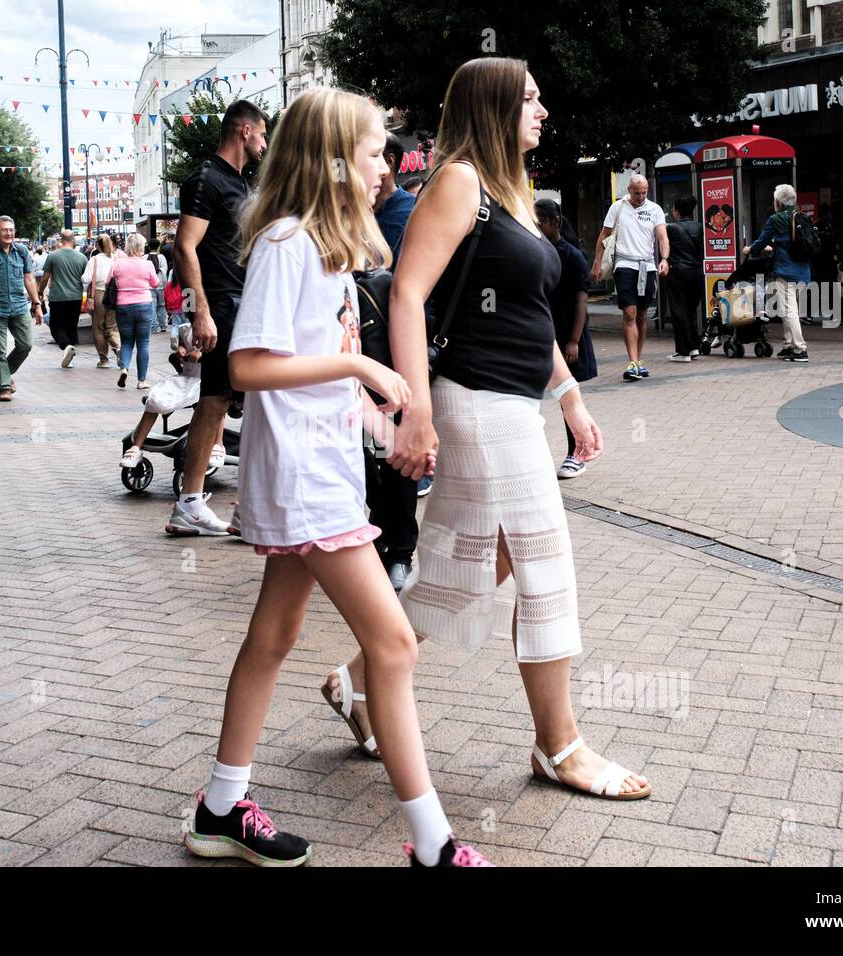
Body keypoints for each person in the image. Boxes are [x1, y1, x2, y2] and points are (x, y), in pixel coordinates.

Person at [185, 86, 490, 869]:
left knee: (274, 636)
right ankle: (433, 846)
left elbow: (309, 373)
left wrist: (380, 417)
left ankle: (221, 806)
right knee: (392, 645)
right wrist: (361, 364)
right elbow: (249, 366)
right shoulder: (288, 242)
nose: (385, 162)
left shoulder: (319, 247)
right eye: (372, 149)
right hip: (303, 481)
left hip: (317, 473)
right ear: (332, 160)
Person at [335, 57, 650, 805]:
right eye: (531, 98)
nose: (543, 109)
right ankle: (559, 744)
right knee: (544, 562)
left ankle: (355, 682)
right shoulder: (460, 182)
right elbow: (408, 295)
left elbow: (526, 315)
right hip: (474, 401)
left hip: (514, 402)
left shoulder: (508, 191)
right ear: (496, 105)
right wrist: (416, 409)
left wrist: (569, 395)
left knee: (471, 564)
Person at [167, 100, 269, 536]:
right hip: (222, 304)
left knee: (218, 399)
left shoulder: (237, 181)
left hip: (237, 302)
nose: (265, 143)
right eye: (263, 134)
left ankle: (192, 502)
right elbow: (183, 247)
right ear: (244, 131)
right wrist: (200, 310)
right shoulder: (208, 178)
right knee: (232, 397)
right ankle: (238, 506)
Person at [366, 130, 423, 590]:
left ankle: (400, 549)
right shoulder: (354, 211)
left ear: (387, 161)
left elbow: (410, 287)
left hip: (393, 347)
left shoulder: (408, 213)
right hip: (353, 349)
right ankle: (379, 535)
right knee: (367, 455)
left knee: (397, 459)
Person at [537, 199, 599, 480]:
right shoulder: (537, 251)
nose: (538, 226)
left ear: (556, 222)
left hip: (565, 335)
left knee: (567, 399)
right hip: (543, 334)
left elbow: (581, 300)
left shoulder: (572, 256)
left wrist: (573, 340)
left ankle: (577, 453)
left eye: (542, 221)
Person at [591, 173, 669, 381]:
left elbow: (662, 236)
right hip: (624, 263)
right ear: (629, 190)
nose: (641, 197)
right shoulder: (618, 208)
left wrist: (664, 259)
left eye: (644, 193)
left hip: (647, 265)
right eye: (637, 193)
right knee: (629, 312)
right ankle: (632, 361)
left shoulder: (655, 209)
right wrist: (597, 262)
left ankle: (639, 360)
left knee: (642, 313)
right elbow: (604, 235)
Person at [0, 215, 44, 400]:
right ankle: (4, 386)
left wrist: (37, 304)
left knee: (26, 344)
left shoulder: (21, 251)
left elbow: (29, 279)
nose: (9, 233)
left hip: (19, 305)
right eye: (5, 230)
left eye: (11, 230)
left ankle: (5, 372)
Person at [743, 184, 811, 362]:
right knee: (789, 309)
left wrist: (750, 249)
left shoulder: (776, 219)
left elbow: (761, 241)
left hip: (786, 271)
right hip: (803, 272)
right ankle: (788, 345)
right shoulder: (801, 217)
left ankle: (800, 349)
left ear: (778, 202)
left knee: (789, 311)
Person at [120, 324, 202, 469]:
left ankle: (207, 442)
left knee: (206, 402)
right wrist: (181, 351)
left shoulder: (219, 326)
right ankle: (136, 447)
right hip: (186, 377)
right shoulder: (185, 329)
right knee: (154, 399)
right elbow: (180, 355)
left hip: (207, 379)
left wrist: (203, 354)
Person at [111, 232, 161, 389]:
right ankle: (141, 381)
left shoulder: (118, 263)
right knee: (143, 343)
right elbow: (155, 283)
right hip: (143, 305)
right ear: (141, 247)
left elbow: (108, 281)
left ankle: (124, 367)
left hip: (123, 305)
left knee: (126, 342)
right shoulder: (147, 264)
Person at [38, 229, 89, 368]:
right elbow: (86, 278)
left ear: (61, 240)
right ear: (73, 241)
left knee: (56, 325)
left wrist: (40, 291)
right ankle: (70, 357)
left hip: (57, 297)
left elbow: (45, 277)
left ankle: (66, 346)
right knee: (71, 326)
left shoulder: (53, 256)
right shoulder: (82, 257)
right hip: (75, 296)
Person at [663, 194, 704, 362]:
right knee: (690, 310)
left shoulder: (671, 228)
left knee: (678, 312)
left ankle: (683, 351)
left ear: (677, 211)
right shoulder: (699, 226)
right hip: (696, 273)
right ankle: (694, 346)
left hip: (678, 273)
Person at [81, 232, 120, 368]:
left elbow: (86, 279)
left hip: (98, 294)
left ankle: (103, 359)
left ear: (98, 245)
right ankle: (118, 348)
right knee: (112, 327)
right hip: (114, 295)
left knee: (98, 328)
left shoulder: (95, 259)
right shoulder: (116, 259)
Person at [146, 238, 169, 334]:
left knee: (152, 306)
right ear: (159, 246)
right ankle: (163, 325)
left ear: (149, 246)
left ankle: (154, 326)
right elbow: (165, 271)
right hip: (161, 285)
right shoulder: (162, 257)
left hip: (150, 285)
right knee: (162, 306)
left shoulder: (145, 257)